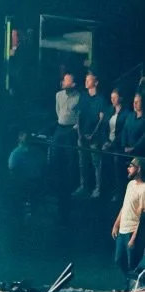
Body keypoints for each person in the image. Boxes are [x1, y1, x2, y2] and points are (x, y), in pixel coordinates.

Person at [110, 155, 145, 284]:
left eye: (131, 166)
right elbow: (125, 206)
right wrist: (116, 224)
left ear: (139, 169)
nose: (128, 169)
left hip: (132, 231)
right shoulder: (130, 185)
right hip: (122, 230)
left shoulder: (144, 189)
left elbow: (142, 216)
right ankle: (131, 284)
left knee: (132, 264)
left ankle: (136, 286)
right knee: (119, 260)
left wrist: (134, 237)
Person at [74, 69, 109, 198]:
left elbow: (101, 119)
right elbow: (78, 115)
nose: (86, 81)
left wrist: (93, 135)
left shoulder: (101, 99)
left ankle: (98, 188)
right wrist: (79, 133)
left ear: (96, 82)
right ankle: (83, 186)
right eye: (86, 79)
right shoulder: (83, 97)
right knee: (82, 162)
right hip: (82, 135)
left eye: (89, 79)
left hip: (94, 137)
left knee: (96, 163)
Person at [50, 70, 81, 213]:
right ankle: (56, 185)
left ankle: (69, 186)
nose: (64, 82)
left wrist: (74, 127)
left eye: (67, 80)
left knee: (70, 159)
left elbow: (79, 114)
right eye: (64, 80)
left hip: (71, 130)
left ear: (73, 84)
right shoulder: (58, 95)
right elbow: (58, 111)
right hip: (60, 128)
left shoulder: (78, 97)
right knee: (55, 155)